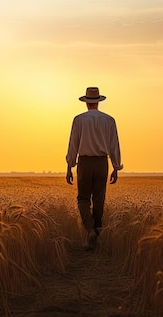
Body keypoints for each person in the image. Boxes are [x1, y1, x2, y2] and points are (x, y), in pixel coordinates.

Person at [66, 87, 123, 250]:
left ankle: (90, 229)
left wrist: (70, 166)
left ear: (86, 103)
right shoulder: (109, 120)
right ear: (98, 101)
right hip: (102, 163)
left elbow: (73, 144)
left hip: (84, 162)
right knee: (99, 199)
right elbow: (114, 145)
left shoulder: (79, 119)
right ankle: (97, 237)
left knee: (83, 199)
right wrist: (116, 167)